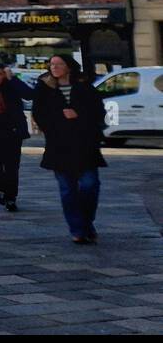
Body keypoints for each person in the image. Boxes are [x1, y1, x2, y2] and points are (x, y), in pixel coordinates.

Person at [32, 53, 107, 244]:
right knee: (67, 190)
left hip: (85, 145)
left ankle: (86, 222)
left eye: (59, 64)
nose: (54, 67)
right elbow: (39, 114)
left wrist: (78, 115)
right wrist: (58, 120)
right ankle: (77, 229)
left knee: (90, 185)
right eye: (52, 64)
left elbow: (99, 111)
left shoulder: (83, 86)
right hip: (59, 146)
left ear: (69, 67)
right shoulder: (44, 88)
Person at [0, 62, 34, 211]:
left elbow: (29, 95)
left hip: (12, 132)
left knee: (12, 168)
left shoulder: (11, 86)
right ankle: (3, 190)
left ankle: (11, 198)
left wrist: (13, 79)